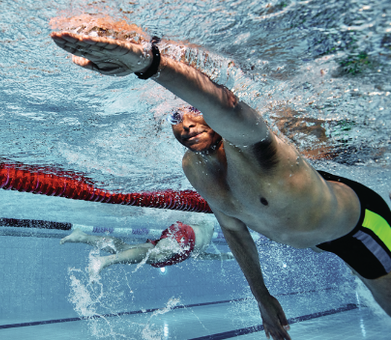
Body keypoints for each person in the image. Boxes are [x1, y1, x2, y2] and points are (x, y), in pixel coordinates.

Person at [51, 19, 391, 340]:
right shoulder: (194, 167)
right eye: (175, 116)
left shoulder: (253, 143)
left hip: (359, 230)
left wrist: (149, 64)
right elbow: (233, 230)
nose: (184, 124)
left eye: (193, 112)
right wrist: (261, 296)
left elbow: (222, 104)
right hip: (317, 231)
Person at [60, 220, 234, 277]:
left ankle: (82, 236)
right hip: (185, 234)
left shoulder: (197, 248)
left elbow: (199, 255)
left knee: (126, 248)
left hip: (184, 245)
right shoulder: (209, 213)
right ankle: (105, 261)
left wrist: (223, 257)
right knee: (155, 255)